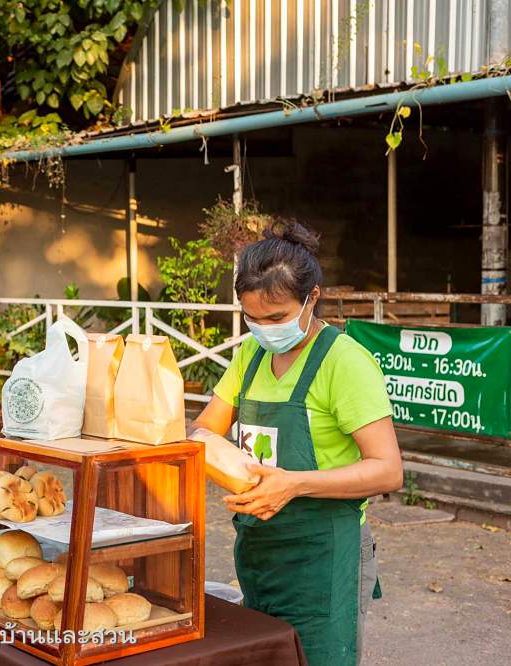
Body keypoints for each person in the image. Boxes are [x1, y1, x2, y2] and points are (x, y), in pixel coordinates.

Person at [189, 222, 403, 666]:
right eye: (252, 318)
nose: (264, 329)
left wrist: (293, 484)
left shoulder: (344, 362)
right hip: (260, 552)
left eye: (277, 318)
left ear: (312, 298)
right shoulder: (251, 356)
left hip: (324, 559)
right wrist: (211, 452)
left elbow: (387, 469)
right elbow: (205, 428)